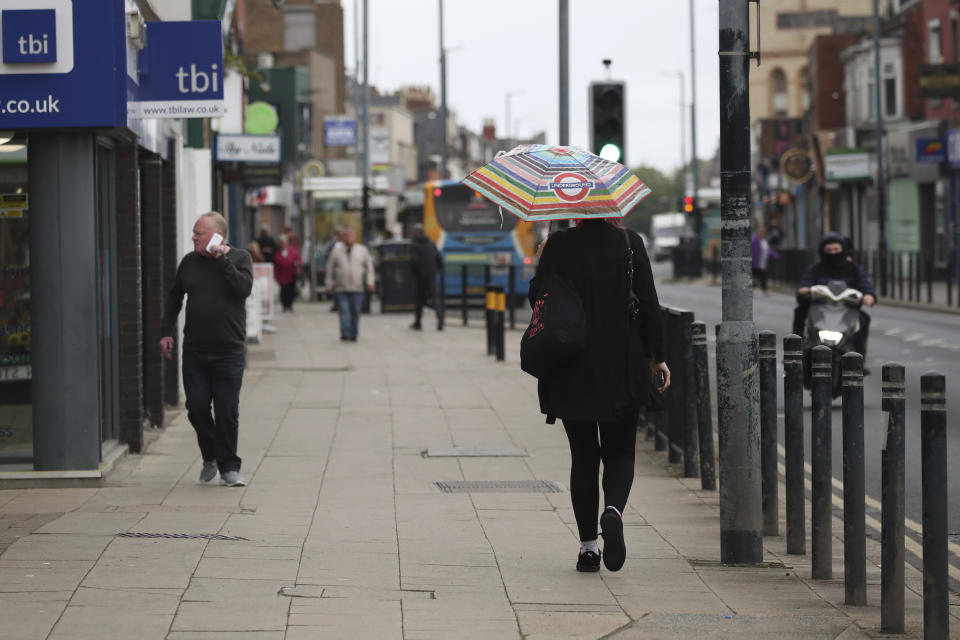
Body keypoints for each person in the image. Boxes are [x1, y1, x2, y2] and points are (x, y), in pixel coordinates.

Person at [531, 218, 670, 573]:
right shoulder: (629, 242)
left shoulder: (560, 243)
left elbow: (538, 300)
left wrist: (543, 259)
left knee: (584, 457)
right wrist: (658, 357)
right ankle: (614, 511)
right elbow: (650, 303)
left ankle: (589, 548)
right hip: (621, 364)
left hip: (570, 363)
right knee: (621, 450)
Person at [159, 212, 253, 487]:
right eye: (194, 233)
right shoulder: (189, 262)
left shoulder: (240, 259)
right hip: (196, 351)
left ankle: (229, 468)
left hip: (229, 352)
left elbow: (242, 288)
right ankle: (210, 455)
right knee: (197, 408)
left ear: (217, 236)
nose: (193, 237)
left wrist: (222, 259)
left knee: (226, 411)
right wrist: (166, 331)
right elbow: (175, 296)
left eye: (198, 233)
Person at [794, 232, 876, 358]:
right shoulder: (816, 269)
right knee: (800, 312)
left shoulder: (854, 269)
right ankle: (795, 351)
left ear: (843, 249)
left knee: (864, 319)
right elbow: (805, 284)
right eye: (829, 250)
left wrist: (869, 295)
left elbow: (865, 284)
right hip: (820, 309)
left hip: (847, 310)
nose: (833, 253)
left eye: (836, 249)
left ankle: (859, 357)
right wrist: (804, 290)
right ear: (822, 251)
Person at [325, 227, 375, 341]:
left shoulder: (362, 250)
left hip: (357, 288)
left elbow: (369, 268)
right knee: (344, 311)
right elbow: (329, 268)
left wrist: (370, 282)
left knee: (355, 312)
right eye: (347, 236)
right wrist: (329, 284)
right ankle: (345, 333)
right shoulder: (336, 251)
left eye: (351, 236)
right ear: (343, 238)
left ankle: (354, 334)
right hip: (341, 288)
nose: (349, 238)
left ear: (355, 237)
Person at [409, 223, 444, 331]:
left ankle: (418, 323)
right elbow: (439, 258)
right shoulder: (430, 242)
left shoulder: (414, 244)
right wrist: (436, 270)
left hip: (420, 276)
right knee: (435, 298)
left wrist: (413, 273)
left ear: (415, 233)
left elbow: (414, 262)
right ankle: (440, 319)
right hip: (431, 274)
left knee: (419, 299)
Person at [273, 235, 302, 312]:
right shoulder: (278, 253)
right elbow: (276, 265)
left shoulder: (292, 251)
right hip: (282, 276)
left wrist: (297, 267)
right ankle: (285, 305)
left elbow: (298, 260)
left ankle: (290, 305)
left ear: (287, 243)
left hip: (291, 275)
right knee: (283, 291)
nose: (282, 244)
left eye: (284, 242)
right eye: (281, 243)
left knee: (291, 291)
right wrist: (276, 276)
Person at [751, 227, 779, 295]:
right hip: (755, 262)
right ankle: (764, 290)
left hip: (761, 262)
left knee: (759, 276)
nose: (763, 234)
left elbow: (767, 250)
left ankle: (762, 289)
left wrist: (775, 255)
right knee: (761, 276)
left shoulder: (763, 240)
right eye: (762, 232)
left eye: (764, 233)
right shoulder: (754, 239)